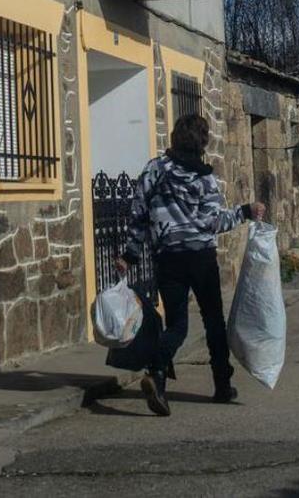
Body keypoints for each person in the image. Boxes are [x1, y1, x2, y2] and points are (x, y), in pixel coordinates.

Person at [116, 114, 265, 417]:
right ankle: (222, 385)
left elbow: (138, 215)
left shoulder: (153, 170)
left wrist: (129, 255)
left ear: (174, 137)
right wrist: (244, 212)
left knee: (178, 326)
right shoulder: (204, 177)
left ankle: (156, 373)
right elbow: (213, 221)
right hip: (200, 257)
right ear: (202, 141)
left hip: (167, 258)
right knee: (213, 322)